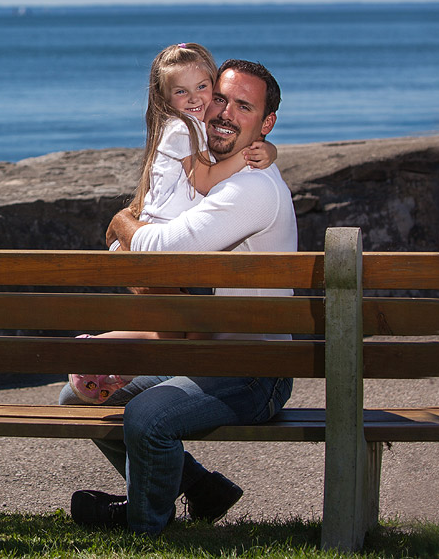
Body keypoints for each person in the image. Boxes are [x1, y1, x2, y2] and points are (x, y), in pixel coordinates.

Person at [67, 59, 297, 536]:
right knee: (79, 397)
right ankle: (200, 488)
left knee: (145, 417)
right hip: (201, 350)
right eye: (220, 98)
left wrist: (121, 223)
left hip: (254, 370)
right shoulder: (217, 174)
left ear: (265, 123)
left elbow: (159, 250)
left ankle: (144, 525)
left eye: (244, 106)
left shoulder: (252, 189)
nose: (224, 112)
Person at [68, 43, 276, 404]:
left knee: (176, 333)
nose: (200, 100)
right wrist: (252, 152)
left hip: (147, 246)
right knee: (183, 331)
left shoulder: (201, 140)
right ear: (166, 98)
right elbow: (205, 180)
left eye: (203, 88)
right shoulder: (184, 130)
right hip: (149, 244)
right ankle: (101, 357)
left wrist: (267, 150)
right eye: (182, 91)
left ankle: (105, 360)